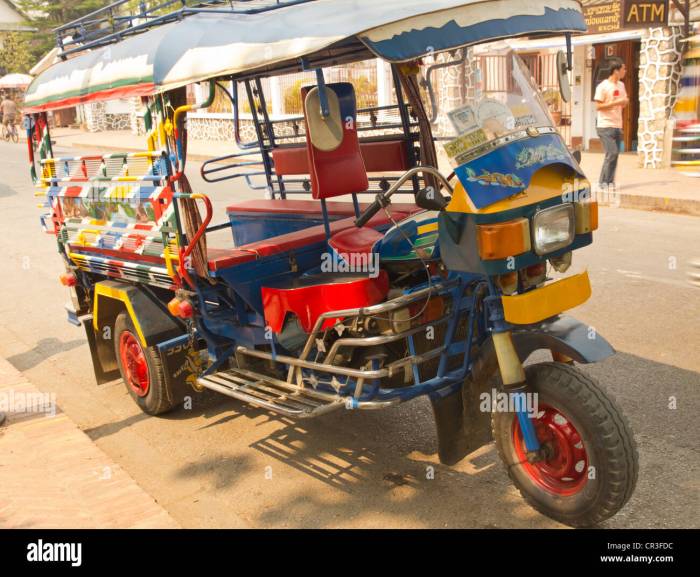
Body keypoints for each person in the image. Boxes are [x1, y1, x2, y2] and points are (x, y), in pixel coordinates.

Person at [594, 58, 628, 188]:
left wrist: (624, 102)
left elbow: (624, 101)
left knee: (615, 155)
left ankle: (609, 181)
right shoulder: (603, 86)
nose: (625, 71)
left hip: (617, 125)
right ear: (616, 71)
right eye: (623, 69)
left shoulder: (621, 85)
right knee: (611, 153)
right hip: (604, 125)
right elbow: (598, 106)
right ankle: (603, 182)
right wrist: (617, 102)